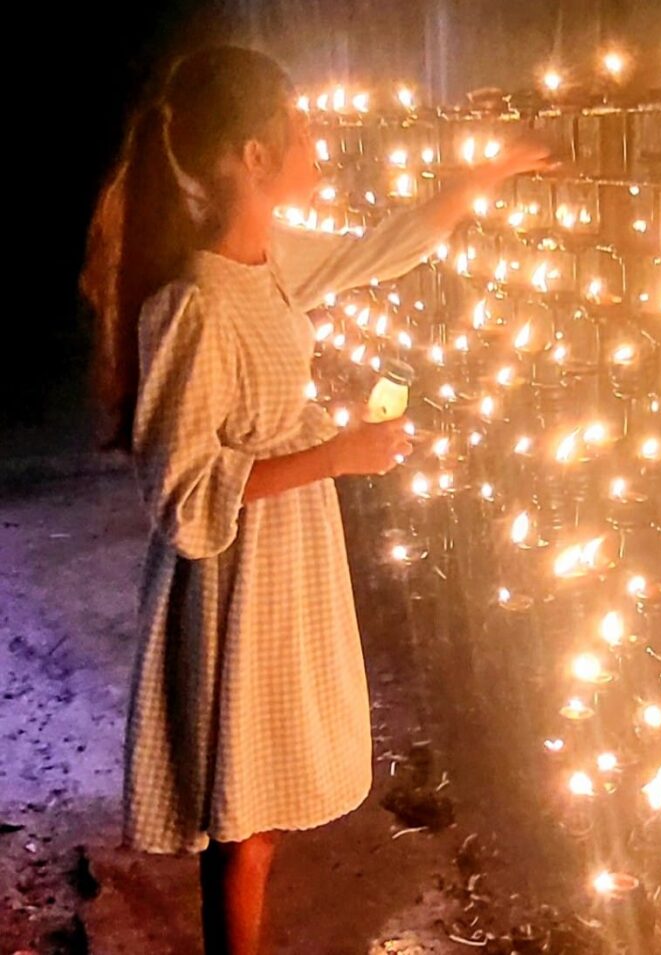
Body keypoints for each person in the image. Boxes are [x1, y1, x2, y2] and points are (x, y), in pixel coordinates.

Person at [80, 45, 548, 955]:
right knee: (243, 825)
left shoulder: (274, 260)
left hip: (286, 562)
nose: (314, 135)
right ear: (253, 156)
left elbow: (385, 248)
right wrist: (337, 453)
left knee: (260, 813)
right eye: (297, 124)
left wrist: (485, 175)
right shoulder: (193, 304)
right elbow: (181, 492)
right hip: (233, 581)